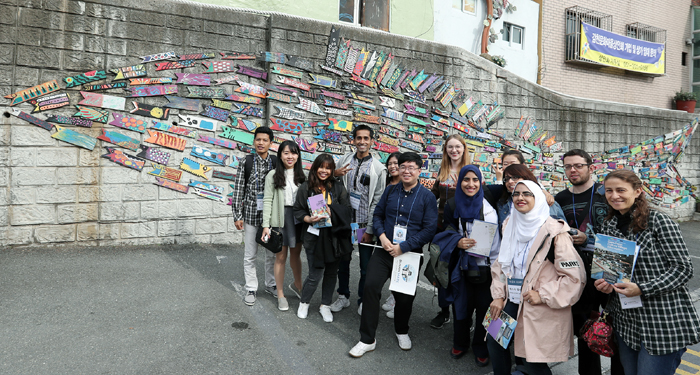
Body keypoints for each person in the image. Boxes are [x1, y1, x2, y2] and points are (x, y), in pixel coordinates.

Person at [594, 170, 700, 375]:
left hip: (661, 320)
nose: (614, 195)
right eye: (609, 191)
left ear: (638, 191)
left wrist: (642, 288)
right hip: (626, 322)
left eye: (621, 190)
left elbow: (683, 269)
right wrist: (605, 284)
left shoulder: (659, 221)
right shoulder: (608, 225)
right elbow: (609, 271)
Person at [488, 180, 586, 375]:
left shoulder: (555, 232)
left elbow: (575, 278)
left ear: (538, 197)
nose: (520, 198)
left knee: (533, 361)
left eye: (527, 194)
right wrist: (498, 295)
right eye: (516, 194)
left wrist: (542, 295)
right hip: (512, 299)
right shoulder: (510, 224)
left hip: (538, 305)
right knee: (495, 342)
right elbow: (501, 263)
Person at [349, 152, 438, 357]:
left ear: (419, 170)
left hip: (409, 255)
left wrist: (404, 247)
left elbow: (429, 229)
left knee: (404, 297)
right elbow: (378, 215)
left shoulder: (427, 197)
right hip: (384, 250)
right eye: (403, 167)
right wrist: (381, 236)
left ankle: (402, 330)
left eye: (411, 168)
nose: (406, 171)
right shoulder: (390, 191)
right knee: (370, 287)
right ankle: (367, 339)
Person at [554, 149, 623, 375]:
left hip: (610, 267)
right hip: (578, 272)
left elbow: (623, 233)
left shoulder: (607, 194)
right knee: (586, 330)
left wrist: (589, 238)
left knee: (618, 327)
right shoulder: (560, 198)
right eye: (568, 166)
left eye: (578, 166)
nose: (573, 170)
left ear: (590, 167)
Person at [437, 165, 500, 367]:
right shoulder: (453, 205)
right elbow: (446, 229)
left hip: (487, 268)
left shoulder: (489, 208)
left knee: (485, 309)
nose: (470, 184)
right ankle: (460, 343)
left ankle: (481, 347)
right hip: (461, 266)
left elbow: (495, 245)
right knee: (460, 306)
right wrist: (457, 241)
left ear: (481, 182)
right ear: (459, 182)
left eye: (475, 180)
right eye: (466, 179)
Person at [331, 124, 387, 316]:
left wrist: (370, 229)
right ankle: (343, 296)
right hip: (345, 222)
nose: (362, 142)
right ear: (353, 140)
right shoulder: (343, 161)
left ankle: (363, 299)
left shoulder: (379, 168)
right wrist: (334, 174)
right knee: (343, 261)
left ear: (372, 141)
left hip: (363, 224)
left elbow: (377, 201)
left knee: (365, 267)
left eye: (366, 138)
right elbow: (328, 181)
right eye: (359, 138)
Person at [293, 154, 352, 322]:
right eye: (321, 167)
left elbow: (347, 209)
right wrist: (308, 219)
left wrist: (330, 209)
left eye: (328, 168)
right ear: (315, 168)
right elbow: (298, 210)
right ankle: (304, 302)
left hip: (334, 237)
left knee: (332, 273)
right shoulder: (306, 187)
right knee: (315, 273)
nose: (324, 171)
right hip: (313, 236)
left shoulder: (338, 187)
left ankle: (325, 305)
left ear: (332, 170)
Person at [231, 126, 278, 306]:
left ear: (270, 143)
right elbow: (238, 189)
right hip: (250, 215)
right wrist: (237, 214)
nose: (261, 143)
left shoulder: (275, 162)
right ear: (254, 141)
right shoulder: (246, 162)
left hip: (270, 217)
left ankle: (271, 284)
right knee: (250, 254)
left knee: (271, 253)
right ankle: (251, 287)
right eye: (258, 139)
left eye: (265, 140)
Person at [429, 135, 471, 329]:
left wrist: (461, 189)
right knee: (440, 270)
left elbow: (479, 197)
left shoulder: (470, 170)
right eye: (450, 147)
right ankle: (444, 311)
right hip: (440, 227)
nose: (454, 150)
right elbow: (434, 195)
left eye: (457, 147)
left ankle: (464, 315)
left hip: (460, 228)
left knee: (461, 273)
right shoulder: (443, 170)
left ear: (464, 149)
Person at [261, 140, 306, 311]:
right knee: (280, 257)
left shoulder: (303, 175)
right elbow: (267, 201)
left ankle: (298, 286)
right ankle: (280, 294)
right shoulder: (272, 175)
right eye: (286, 153)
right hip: (280, 219)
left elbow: (313, 196)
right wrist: (266, 225)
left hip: (299, 219)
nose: (290, 156)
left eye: (293, 153)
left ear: (298, 155)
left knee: (296, 255)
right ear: (280, 155)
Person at [498, 164, 566, 227]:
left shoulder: (547, 201)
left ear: (526, 178)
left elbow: (562, 229)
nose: (510, 181)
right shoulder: (502, 204)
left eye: (515, 177)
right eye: (507, 179)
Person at [381, 151, 402, 318]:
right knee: (387, 266)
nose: (393, 166)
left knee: (400, 266)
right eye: (390, 164)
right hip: (385, 231)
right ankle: (393, 295)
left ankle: (397, 300)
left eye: (396, 163)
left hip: (402, 235)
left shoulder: (406, 184)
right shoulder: (385, 183)